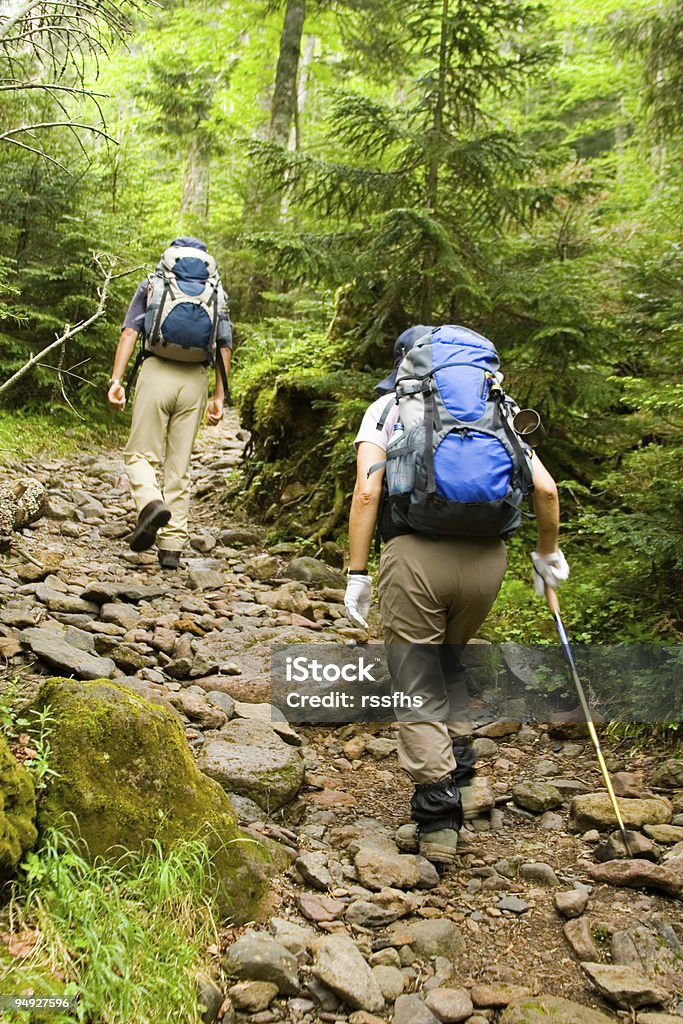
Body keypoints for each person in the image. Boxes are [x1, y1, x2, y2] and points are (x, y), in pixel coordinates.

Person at [344, 325, 569, 865]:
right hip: (488, 559)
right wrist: (547, 554)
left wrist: (356, 573)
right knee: (448, 658)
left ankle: (438, 815)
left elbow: (367, 490)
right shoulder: (499, 405)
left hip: (416, 554)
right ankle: (466, 777)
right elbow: (545, 489)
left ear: (406, 365)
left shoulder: (388, 407)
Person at [107, 236, 232, 570]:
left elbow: (129, 333)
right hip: (195, 381)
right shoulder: (216, 290)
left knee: (139, 454)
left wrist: (117, 380)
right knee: (179, 466)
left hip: (155, 371)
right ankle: (172, 547)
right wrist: (219, 397)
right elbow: (224, 346)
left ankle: (150, 503)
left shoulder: (153, 282)